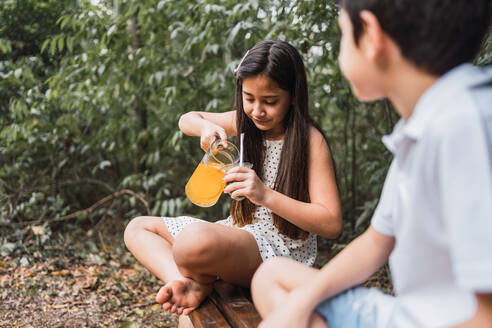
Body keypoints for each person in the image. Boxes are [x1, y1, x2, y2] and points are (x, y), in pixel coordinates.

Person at [251, 1, 492, 327]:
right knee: (271, 276)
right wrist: (301, 305)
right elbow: (377, 241)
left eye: (343, 35)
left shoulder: (463, 126)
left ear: (371, 37)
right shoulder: (424, 126)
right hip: (409, 314)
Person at [124, 40, 342, 316]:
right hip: (237, 233)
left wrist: (265, 195)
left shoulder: (311, 142)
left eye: (270, 101)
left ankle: (199, 279)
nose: (257, 110)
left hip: (278, 250)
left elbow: (331, 223)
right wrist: (205, 127)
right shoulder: (244, 122)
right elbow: (186, 119)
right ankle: (183, 282)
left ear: (294, 96)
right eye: (249, 98)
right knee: (137, 228)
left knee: (191, 242)